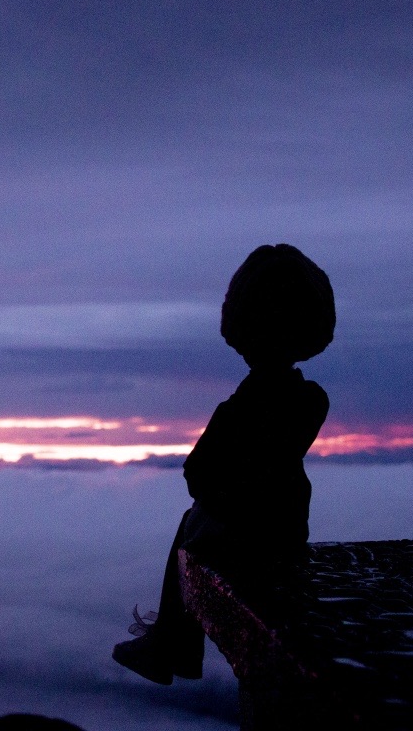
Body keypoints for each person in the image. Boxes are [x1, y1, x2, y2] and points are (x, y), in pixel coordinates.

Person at [112, 244, 334, 685]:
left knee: (191, 526)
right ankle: (170, 643)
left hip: (244, 533)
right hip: (287, 527)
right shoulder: (311, 400)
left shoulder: (239, 408)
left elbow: (199, 474)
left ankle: (168, 644)